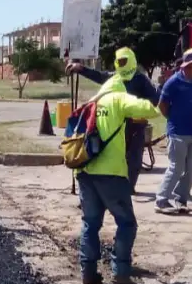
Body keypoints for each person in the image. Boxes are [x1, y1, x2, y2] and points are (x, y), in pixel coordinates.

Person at [76, 89, 161, 284]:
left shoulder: (93, 100)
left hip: (85, 169)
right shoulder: (119, 97)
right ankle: (121, 273)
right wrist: (160, 95)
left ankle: (88, 272)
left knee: (90, 222)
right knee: (126, 223)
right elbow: (152, 110)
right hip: (111, 173)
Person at [66, 47, 159, 193]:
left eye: (124, 61)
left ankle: (128, 188)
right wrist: (81, 68)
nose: (122, 64)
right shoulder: (114, 77)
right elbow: (98, 75)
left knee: (134, 159)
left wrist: (143, 112)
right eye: (119, 61)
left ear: (132, 61)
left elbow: (155, 100)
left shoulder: (141, 79)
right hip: (115, 125)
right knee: (108, 156)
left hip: (135, 126)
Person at [156, 48, 192, 214]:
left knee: (190, 170)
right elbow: (162, 106)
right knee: (176, 168)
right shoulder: (173, 83)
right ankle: (162, 200)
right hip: (178, 133)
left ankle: (181, 199)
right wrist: (174, 119)